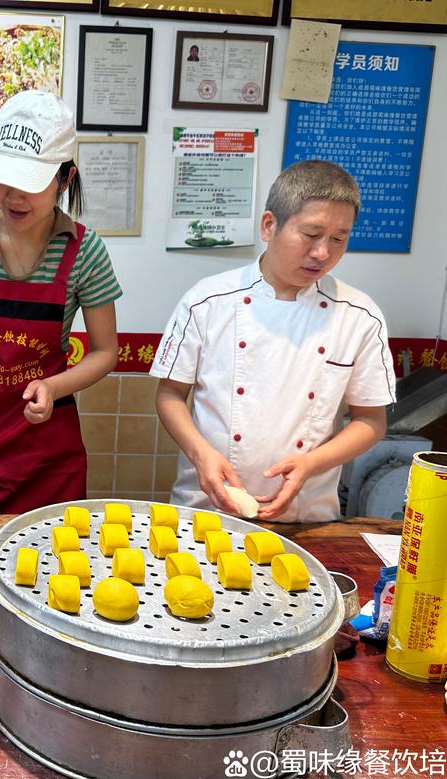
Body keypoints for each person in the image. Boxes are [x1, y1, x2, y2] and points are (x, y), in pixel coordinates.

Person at [151, 160, 395, 522]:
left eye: (339, 239)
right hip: (205, 510)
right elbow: (170, 395)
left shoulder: (359, 315)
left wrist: (312, 463)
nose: (323, 253)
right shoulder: (207, 301)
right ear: (269, 225)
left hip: (306, 516)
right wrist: (200, 453)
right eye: (311, 234)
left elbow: (371, 420)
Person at [0, 90, 121, 513]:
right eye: (3, 181)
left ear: (65, 179)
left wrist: (53, 385)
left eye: (29, 185)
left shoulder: (85, 251)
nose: (13, 197)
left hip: (46, 447)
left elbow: (106, 352)